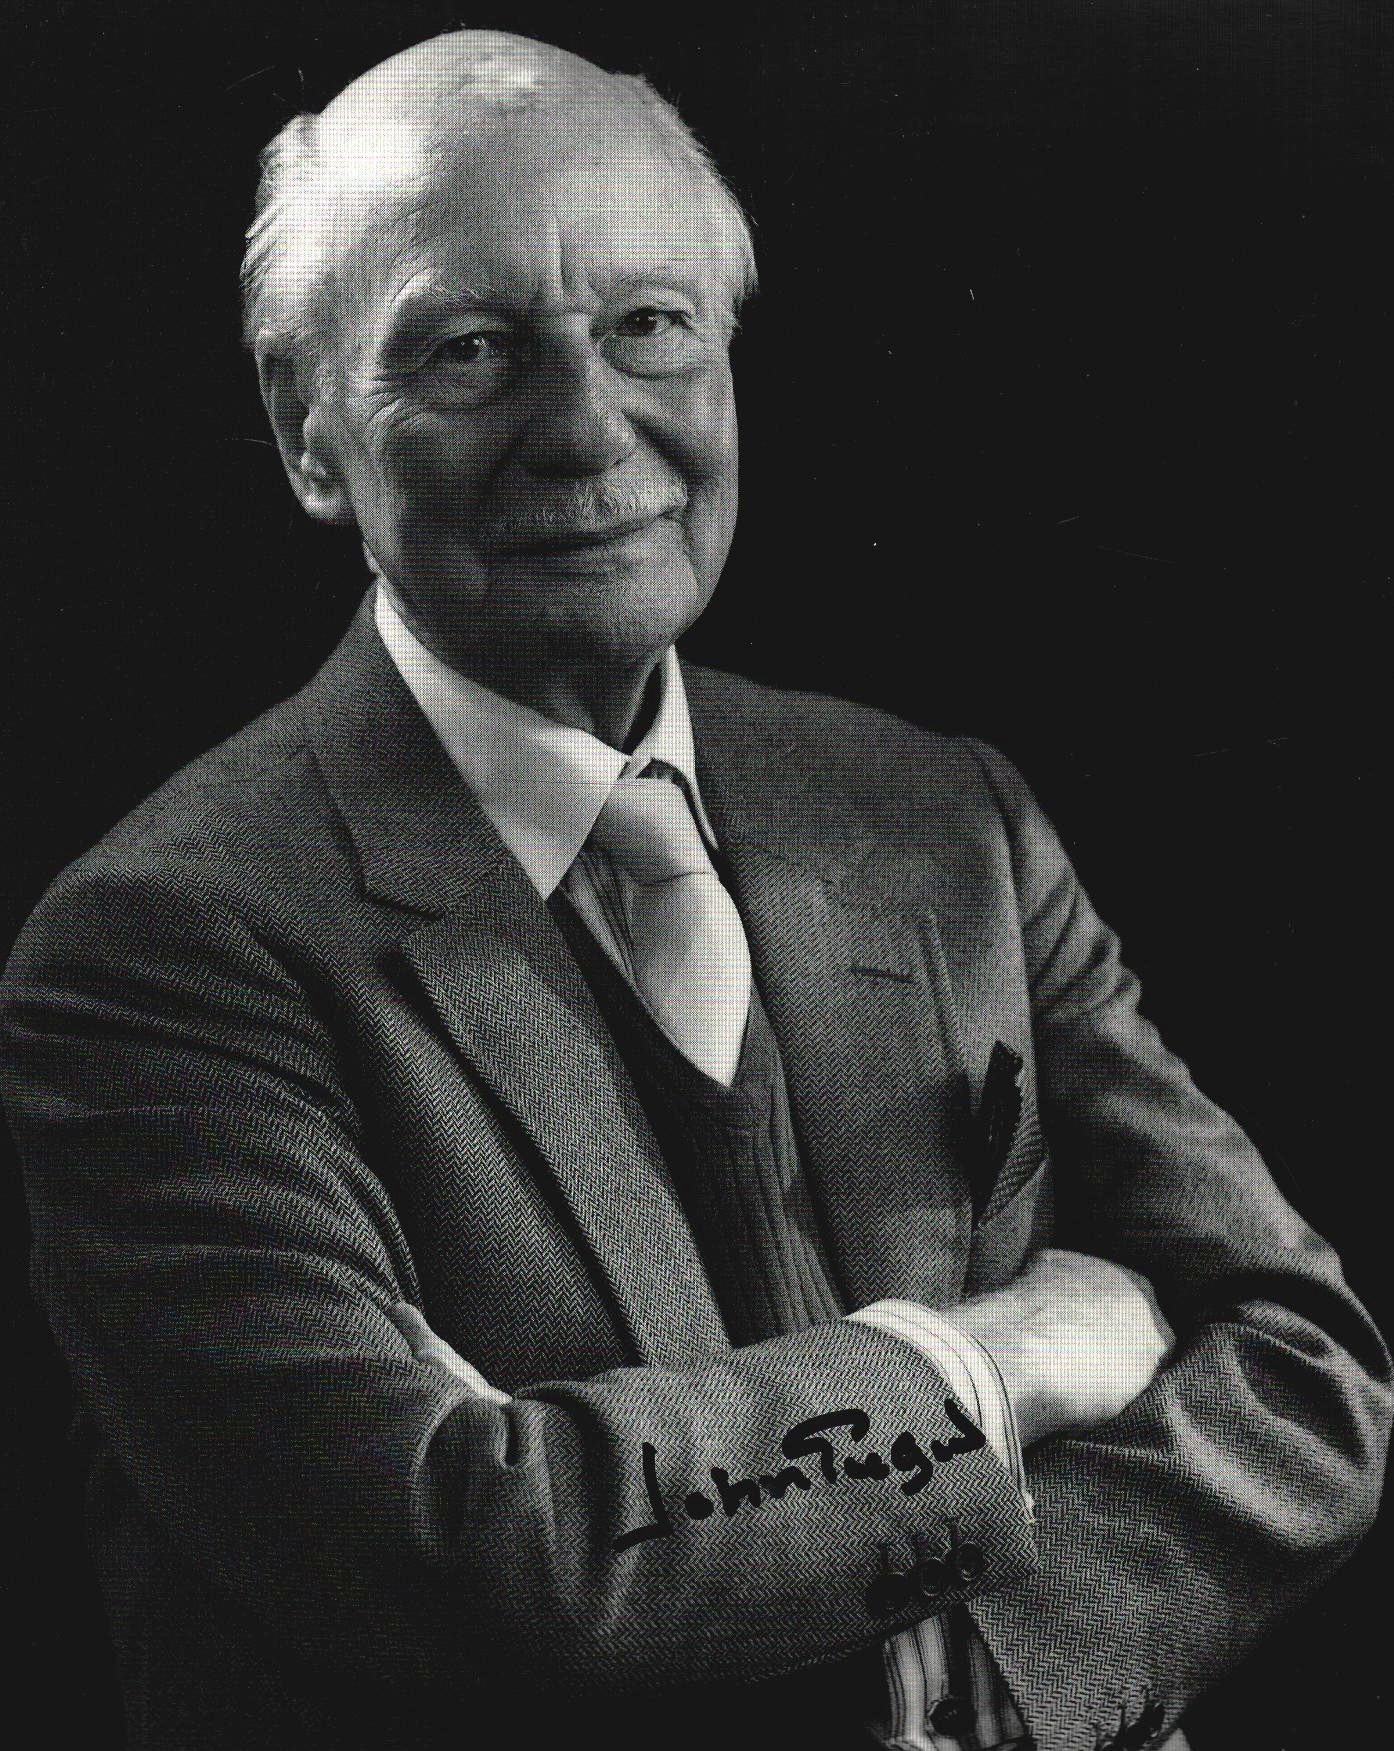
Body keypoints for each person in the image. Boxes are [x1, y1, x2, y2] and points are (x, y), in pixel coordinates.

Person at [1, 28, 1387, 1751]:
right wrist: (990, 1368)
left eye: (649, 325)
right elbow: (446, 1556)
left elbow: (1302, 1365)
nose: (588, 429)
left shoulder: (938, 817)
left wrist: (961, 1663)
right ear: (308, 430)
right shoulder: (162, 951)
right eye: (470, 350)